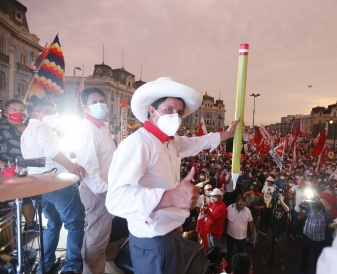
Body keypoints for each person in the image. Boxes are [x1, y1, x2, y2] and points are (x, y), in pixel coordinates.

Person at [105, 77, 239, 274]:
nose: (174, 116)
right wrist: (170, 197)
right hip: (153, 240)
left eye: (179, 113)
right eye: (168, 109)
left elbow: (196, 143)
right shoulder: (137, 144)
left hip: (170, 233)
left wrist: (226, 135)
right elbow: (115, 199)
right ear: (152, 111)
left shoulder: (170, 142)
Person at [21, 100, 85, 274]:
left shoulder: (27, 131)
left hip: (37, 185)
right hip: (56, 182)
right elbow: (51, 151)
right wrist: (72, 166)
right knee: (75, 223)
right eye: (47, 111)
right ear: (35, 114)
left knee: (53, 223)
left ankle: (45, 263)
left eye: (54, 112)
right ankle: (72, 265)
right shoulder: (42, 128)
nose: (52, 116)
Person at [73, 88, 116, 274]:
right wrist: (106, 192)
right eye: (93, 102)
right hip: (98, 191)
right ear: (84, 106)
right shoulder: (88, 130)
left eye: (102, 101)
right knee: (97, 237)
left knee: (98, 235)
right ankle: (92, 271)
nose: (99, 105)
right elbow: (89, 169)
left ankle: (92, 269)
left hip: (105, 188)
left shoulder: (101, 127)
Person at [0, 99, 35, 232]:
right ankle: (11, 234)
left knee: (28, 197)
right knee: (9, 203)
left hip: (29, 170)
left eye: (22, 110)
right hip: (6, 171)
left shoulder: (31, 126)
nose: (18, 113)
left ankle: (29, 225)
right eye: (14, 110)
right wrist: (4, 166)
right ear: (6, 113)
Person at [297, 195, 331, 274]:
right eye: (316, 201)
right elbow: (299, 218)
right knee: (304, 254)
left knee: (318, 257)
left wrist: (320, 198)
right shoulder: (309, 209)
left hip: (319, 238)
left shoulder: (324, 212)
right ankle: (303, 269)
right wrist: (301, 208)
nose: (317, 202)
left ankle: (317, 271)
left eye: (319, 201)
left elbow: (329, 208)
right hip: (307, 235)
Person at [261, 188, 290, 272]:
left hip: (282, 228)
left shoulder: (286, 202)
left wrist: (282, 201)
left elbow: (287, 210)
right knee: (268, 243)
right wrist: (271, 197)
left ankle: (282, 261)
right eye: (279, 193)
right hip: (272, 226)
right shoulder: (274, 202)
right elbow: (268, 206)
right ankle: (266, 256)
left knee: (282, 246)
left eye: (282, 194)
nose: (280, 195)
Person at [225, 195, 254, 264]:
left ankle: (241, 266)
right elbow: (226, 220)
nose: (241, 205)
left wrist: (252, 235)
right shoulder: (230, 208)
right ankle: (227, 262)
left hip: (242, 237)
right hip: (230, 235)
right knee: (228, 250)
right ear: (236, 202)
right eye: (240, 203)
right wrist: (224, 230)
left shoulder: (247, 211)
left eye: (243, 203)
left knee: (242, 253)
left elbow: (251, 223)